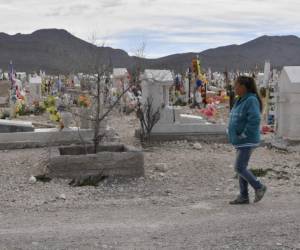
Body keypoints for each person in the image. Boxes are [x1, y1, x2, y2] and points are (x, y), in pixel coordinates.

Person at [228, 76, 267, 205]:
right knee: (242, 167)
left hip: (247, 140)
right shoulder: (240, 100)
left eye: (236, 85)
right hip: (240, 140)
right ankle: (244, 196)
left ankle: (259, 186)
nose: (234, 88)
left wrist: (244, 134)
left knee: (239, 167)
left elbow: (255, 119)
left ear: (243, 87)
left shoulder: (251, 100)